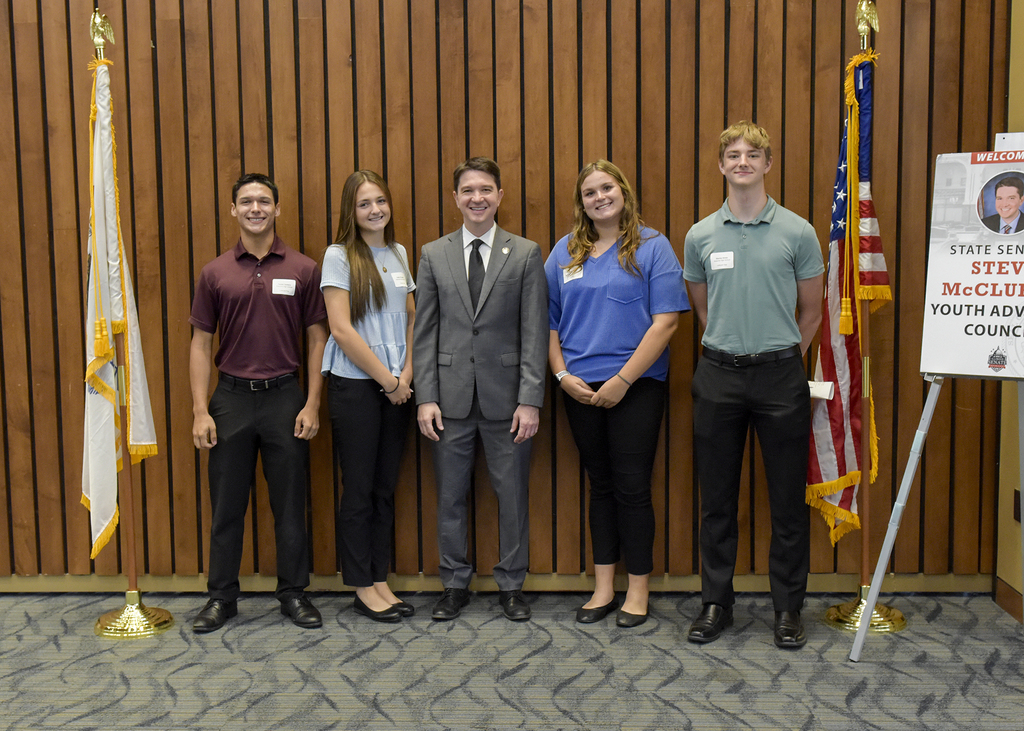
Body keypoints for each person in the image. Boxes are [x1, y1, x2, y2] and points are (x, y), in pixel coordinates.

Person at [683, 121, 824, 649]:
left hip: (781, 376)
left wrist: (780, 357)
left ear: (768, 164)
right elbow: (702, 307)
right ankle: (716, 604)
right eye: (733, 155)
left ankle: (788, 610)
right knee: (717, 500)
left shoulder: (797, 231)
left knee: (787, 500)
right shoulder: (700, 234)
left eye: (753, 154)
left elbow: (811, 312)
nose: (742, 162)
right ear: (721, 165)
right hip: (718, 375)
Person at [546, 160, 688, 628]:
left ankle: (638, 591)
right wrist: (563, 376)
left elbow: (666, 321)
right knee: (599, 487)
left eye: (607, 188)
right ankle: (604, 587)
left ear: (623, 192)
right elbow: (547, 322)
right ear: (581, 203)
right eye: (589, 192)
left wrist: (622, 380)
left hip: (636, 387)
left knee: (631, 488)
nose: (599, 197)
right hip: (579, 388)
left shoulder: (653, 247)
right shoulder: (565, 252)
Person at [190, 172, 328, 633]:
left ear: (277, 209)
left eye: (264, 201)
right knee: (227, 506)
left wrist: (311, 404)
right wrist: (199, 409)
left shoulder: (304, 269)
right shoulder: (214, 273)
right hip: (229, 399)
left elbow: (317, 340)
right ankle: (221, 597)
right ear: (233, 210)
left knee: (290, 506)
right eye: (246, 201)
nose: (255, 208)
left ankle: (293, 593)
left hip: (284, 398)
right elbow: (199, 344)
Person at [412, 157, 548, 622]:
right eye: (468, 190)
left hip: (507, 400)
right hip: (447, 401)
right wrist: (425, 396)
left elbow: (534, 332)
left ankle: (512, 584)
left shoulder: (526, 253)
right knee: (449, 495)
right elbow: (424, 332)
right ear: (455, 199)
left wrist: (530, 400)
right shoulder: (433, 253)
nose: (477, 198)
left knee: (511, 495)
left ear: (500, 195)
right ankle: (454, 583)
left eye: (486, 189)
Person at [322, 171, 417, 623]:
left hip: (399, 386)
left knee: (383, 488)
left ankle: (380, 578)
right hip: (358, 385)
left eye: (381, 200)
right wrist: (389, 380)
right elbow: (341, 329)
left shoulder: (398, 253)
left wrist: (407, 375)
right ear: (350, 211)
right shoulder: (339, 256)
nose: (375, 209)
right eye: (364, 204)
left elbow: (414, 319)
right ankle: (362, 586)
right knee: (358, 490)